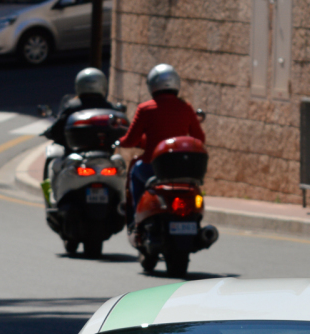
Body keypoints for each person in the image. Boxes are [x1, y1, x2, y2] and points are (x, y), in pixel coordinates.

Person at [116, 63, 204, 227]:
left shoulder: (145, 108)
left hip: (152, 167)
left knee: (135, 172)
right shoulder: (186, 108)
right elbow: (199, 138)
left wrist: (119, 141)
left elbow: (131, 140)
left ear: (152, 84)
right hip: (181, 169)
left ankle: (137, 218)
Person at [43, 67, 125, 149]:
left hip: (77, 153)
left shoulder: (72, 107)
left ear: (78, 85)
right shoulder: (112, 108)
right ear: (103, 85)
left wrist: (49, 133)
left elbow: (57, 131)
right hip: (106, 154)